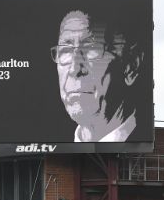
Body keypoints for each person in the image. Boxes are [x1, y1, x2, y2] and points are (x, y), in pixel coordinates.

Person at [51, 8, 149, 142]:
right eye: (66, 50)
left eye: (91, 49)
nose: (75, 69)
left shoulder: (145, 139)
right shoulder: (53, 145)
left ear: (131, 66)